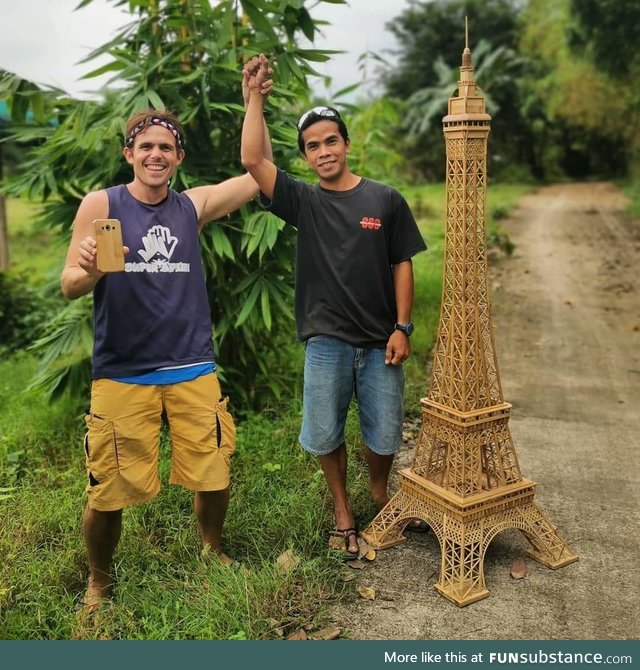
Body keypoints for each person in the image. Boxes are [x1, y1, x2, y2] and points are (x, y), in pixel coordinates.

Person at [62, 76, 272, 611]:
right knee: (107, 490)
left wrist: (253, 100)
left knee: (214, 469)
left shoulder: (191, 208)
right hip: (121, 370)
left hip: (192, 364)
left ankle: (211, 549)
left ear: (178, 157)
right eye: (146, 146)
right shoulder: (100, 204)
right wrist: (86, 271)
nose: (155, 155)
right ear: (129, 153)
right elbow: (69, 284)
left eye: (166, 148)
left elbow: (257, 173)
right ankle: (99, 582)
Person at [241, 55, 427, 559]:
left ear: (346, 143)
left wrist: (402, 327)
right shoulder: (304, 202)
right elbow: (254, 162)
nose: (322, 151)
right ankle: (343, 510)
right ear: (305, 157)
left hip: (379, 340)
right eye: (312, 146)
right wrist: (255, 98)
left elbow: (402, 264)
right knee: (324, 433)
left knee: (385, 434)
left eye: (330, 141)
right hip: (325, 341)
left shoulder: (384, 199)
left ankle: (381, 492)